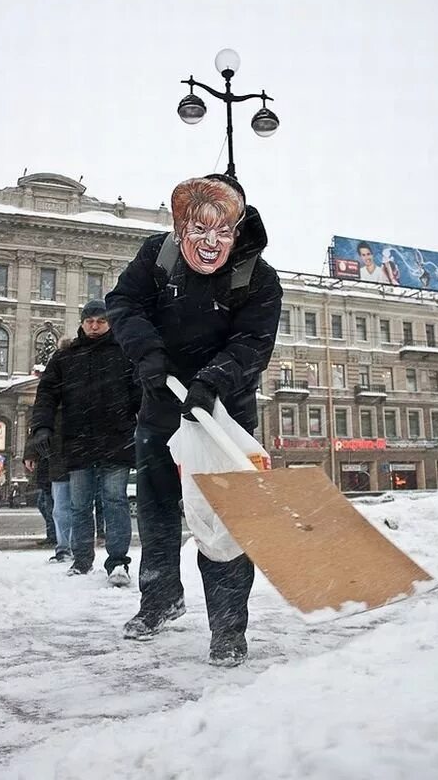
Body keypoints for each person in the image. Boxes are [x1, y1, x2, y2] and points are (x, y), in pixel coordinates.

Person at [106, 174, 283, 667]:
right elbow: (124, 303)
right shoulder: (156, 255)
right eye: (198, 230)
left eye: (222, 231)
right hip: (161, 401)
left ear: (237, 226)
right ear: (182, 225)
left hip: (224, 411)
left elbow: (253, 342)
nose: (209, 243)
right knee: (158, 508)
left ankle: (228, 629)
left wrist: (212, 381)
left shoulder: (258, 277)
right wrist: (146, 351)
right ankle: (160, 599)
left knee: (226, 518)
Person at [30, 299, 140, 584]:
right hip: (77, 443)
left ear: (109, 323)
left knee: (115, 501)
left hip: (116, 441)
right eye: (89, 321)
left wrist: (145, 426)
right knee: (79, 505)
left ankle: (118, 563)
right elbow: (46, 395)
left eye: (100, 321)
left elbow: (141, 395)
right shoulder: (65, 357)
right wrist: (41, 427)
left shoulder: (125, 353)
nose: (94, 325)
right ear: (82, 322)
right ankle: (81, 560)